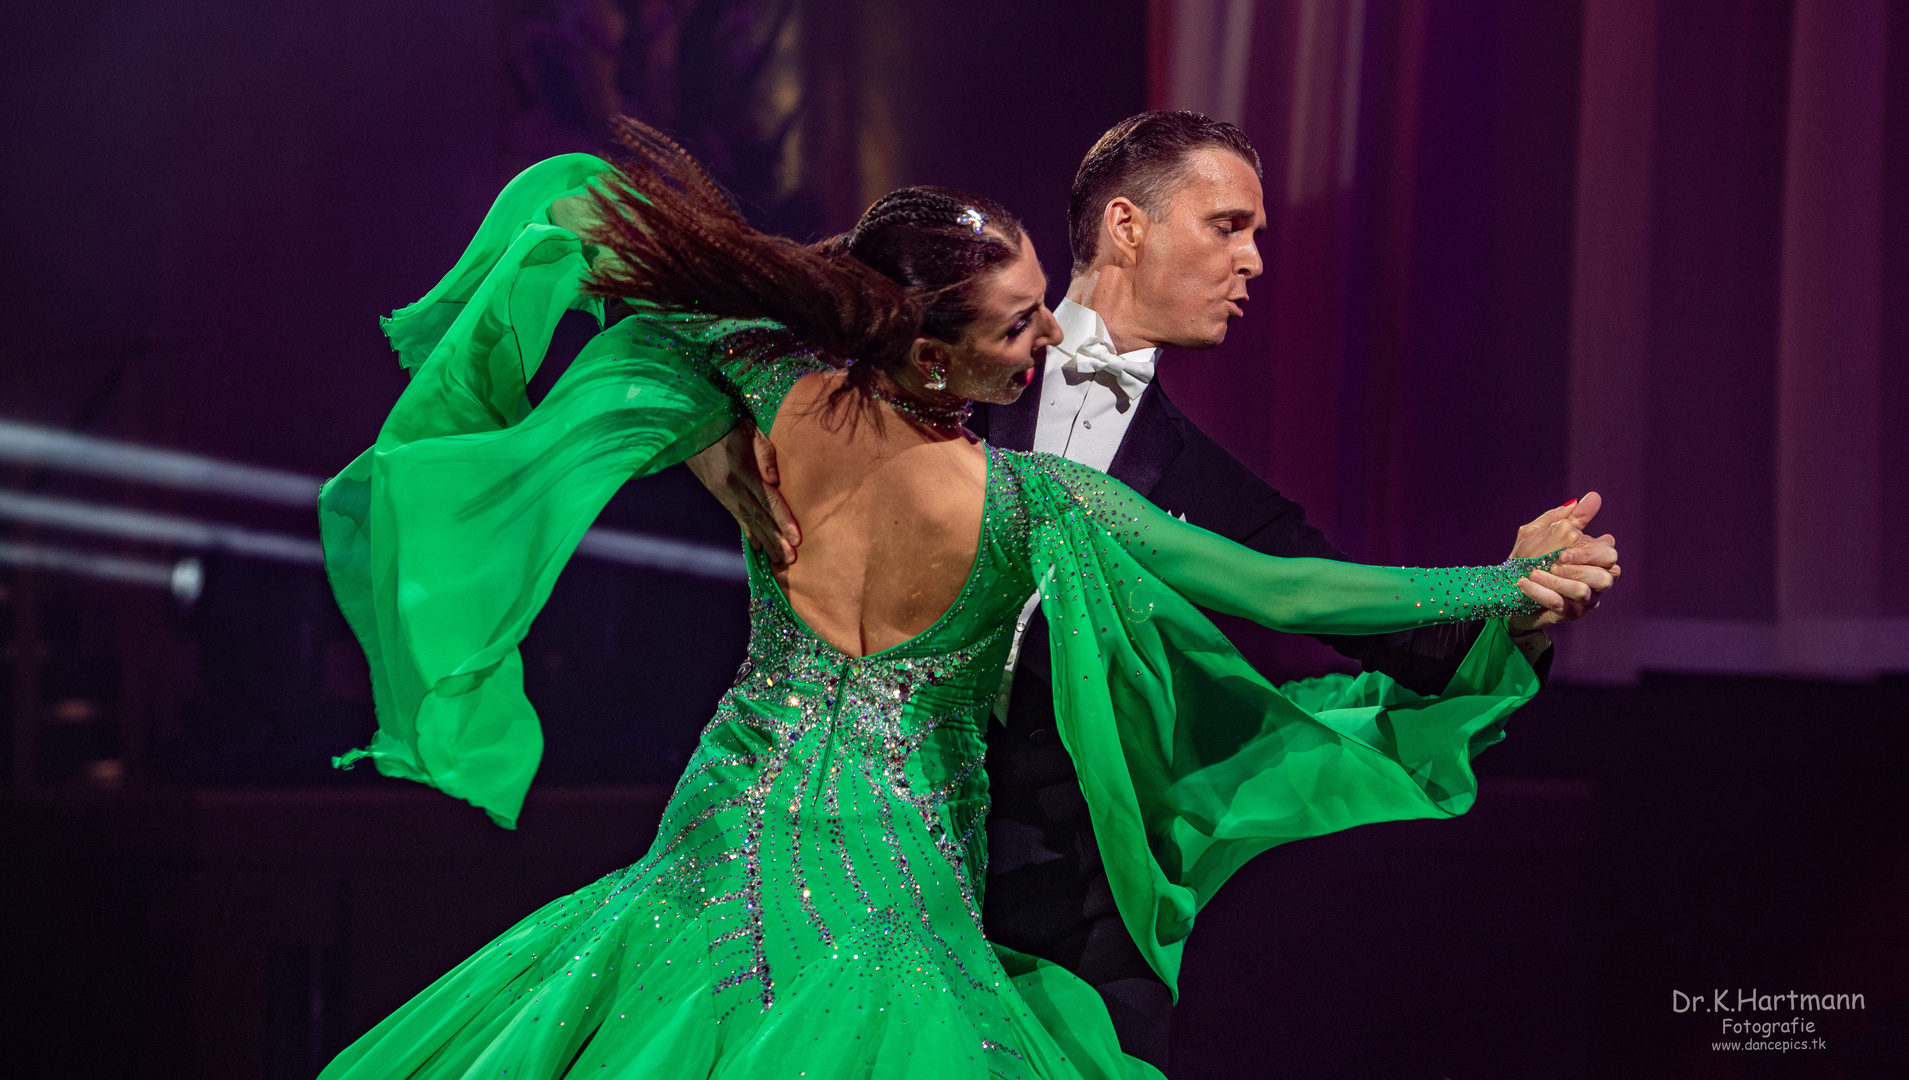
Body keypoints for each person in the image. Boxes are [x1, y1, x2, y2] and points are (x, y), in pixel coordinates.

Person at [316, 119, 1612, 1079]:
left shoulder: (775, 392)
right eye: (1015, 325)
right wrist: (1497, 577)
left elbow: (615, 270)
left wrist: (711, 449)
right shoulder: (1031, 499)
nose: (1046, 338)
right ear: (928, 346)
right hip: (892, 920)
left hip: (732, 847)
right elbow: (1273, 587)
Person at [687, 110, 1621, 1067]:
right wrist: (704, 439)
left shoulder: (1212, 490)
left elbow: (1371, 630)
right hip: (855, 863)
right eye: (1228, 226)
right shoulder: (946, 338)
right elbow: (684, 322)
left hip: (1075, 903)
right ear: (1127, 226)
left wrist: (1524, 596)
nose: (1253, 261)